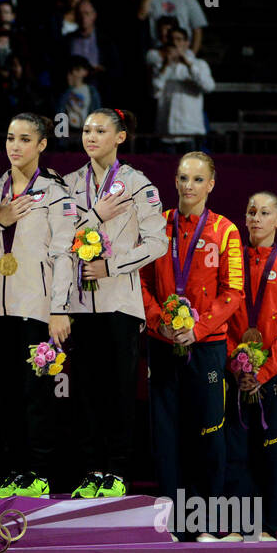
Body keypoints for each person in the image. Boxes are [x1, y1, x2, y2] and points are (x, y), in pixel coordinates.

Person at [59, 108, 166, 498]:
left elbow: (158, 242)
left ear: (120, 137)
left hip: (120, 302)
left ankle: (117, 471)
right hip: (78, 304)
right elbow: (57, 239)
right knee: (85, 390)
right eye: (86, 130)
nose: (90, 136)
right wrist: (92, 215)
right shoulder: (69, 184)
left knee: (119, 391)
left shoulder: (139, 185)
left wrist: (113, 266)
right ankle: (90, 471)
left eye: (100, 130)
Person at [141, 152, 242, 539]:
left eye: (197, 180)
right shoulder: (157, 224)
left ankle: (205, 522)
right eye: (183, 178)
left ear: (211, 184)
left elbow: (234, 291)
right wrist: (160, 323)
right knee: (166, 433)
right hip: (163, 342)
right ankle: (170, 522)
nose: (188, 186)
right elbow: (142, 283)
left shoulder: (226, 230)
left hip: (207, 345)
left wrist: (197, 330)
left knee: (208, 432)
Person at [0, 114, 76, 497]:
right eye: (9, 138)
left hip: (37, 309)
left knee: (37, 395)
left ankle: (38, 472)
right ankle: (15, 471)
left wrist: (59, 308)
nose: (14, 146)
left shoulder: (56, 192)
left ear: (41, 145)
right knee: (8, 395)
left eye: (24, 139)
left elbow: (65, 254)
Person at [223, 191, 277, 541]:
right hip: (235, 375)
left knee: (269, 454)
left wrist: (264, 371)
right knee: (235, 453)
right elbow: (222, 319)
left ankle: (267, 527)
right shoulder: (231, 262)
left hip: (270, 377)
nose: (256, 218)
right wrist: (235, 363)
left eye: (264, 212)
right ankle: (238, 527)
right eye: (251, 211)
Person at [151, 25, 214, 152]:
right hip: (167, 131)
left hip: (189, 131)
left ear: (187, 43)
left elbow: (208, 86)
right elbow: (154, 93)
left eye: (179, 39)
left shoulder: (199, 64)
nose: (175, 43)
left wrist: (188, 64)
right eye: (172, 39)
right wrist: (166, 66)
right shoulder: (160, 66)